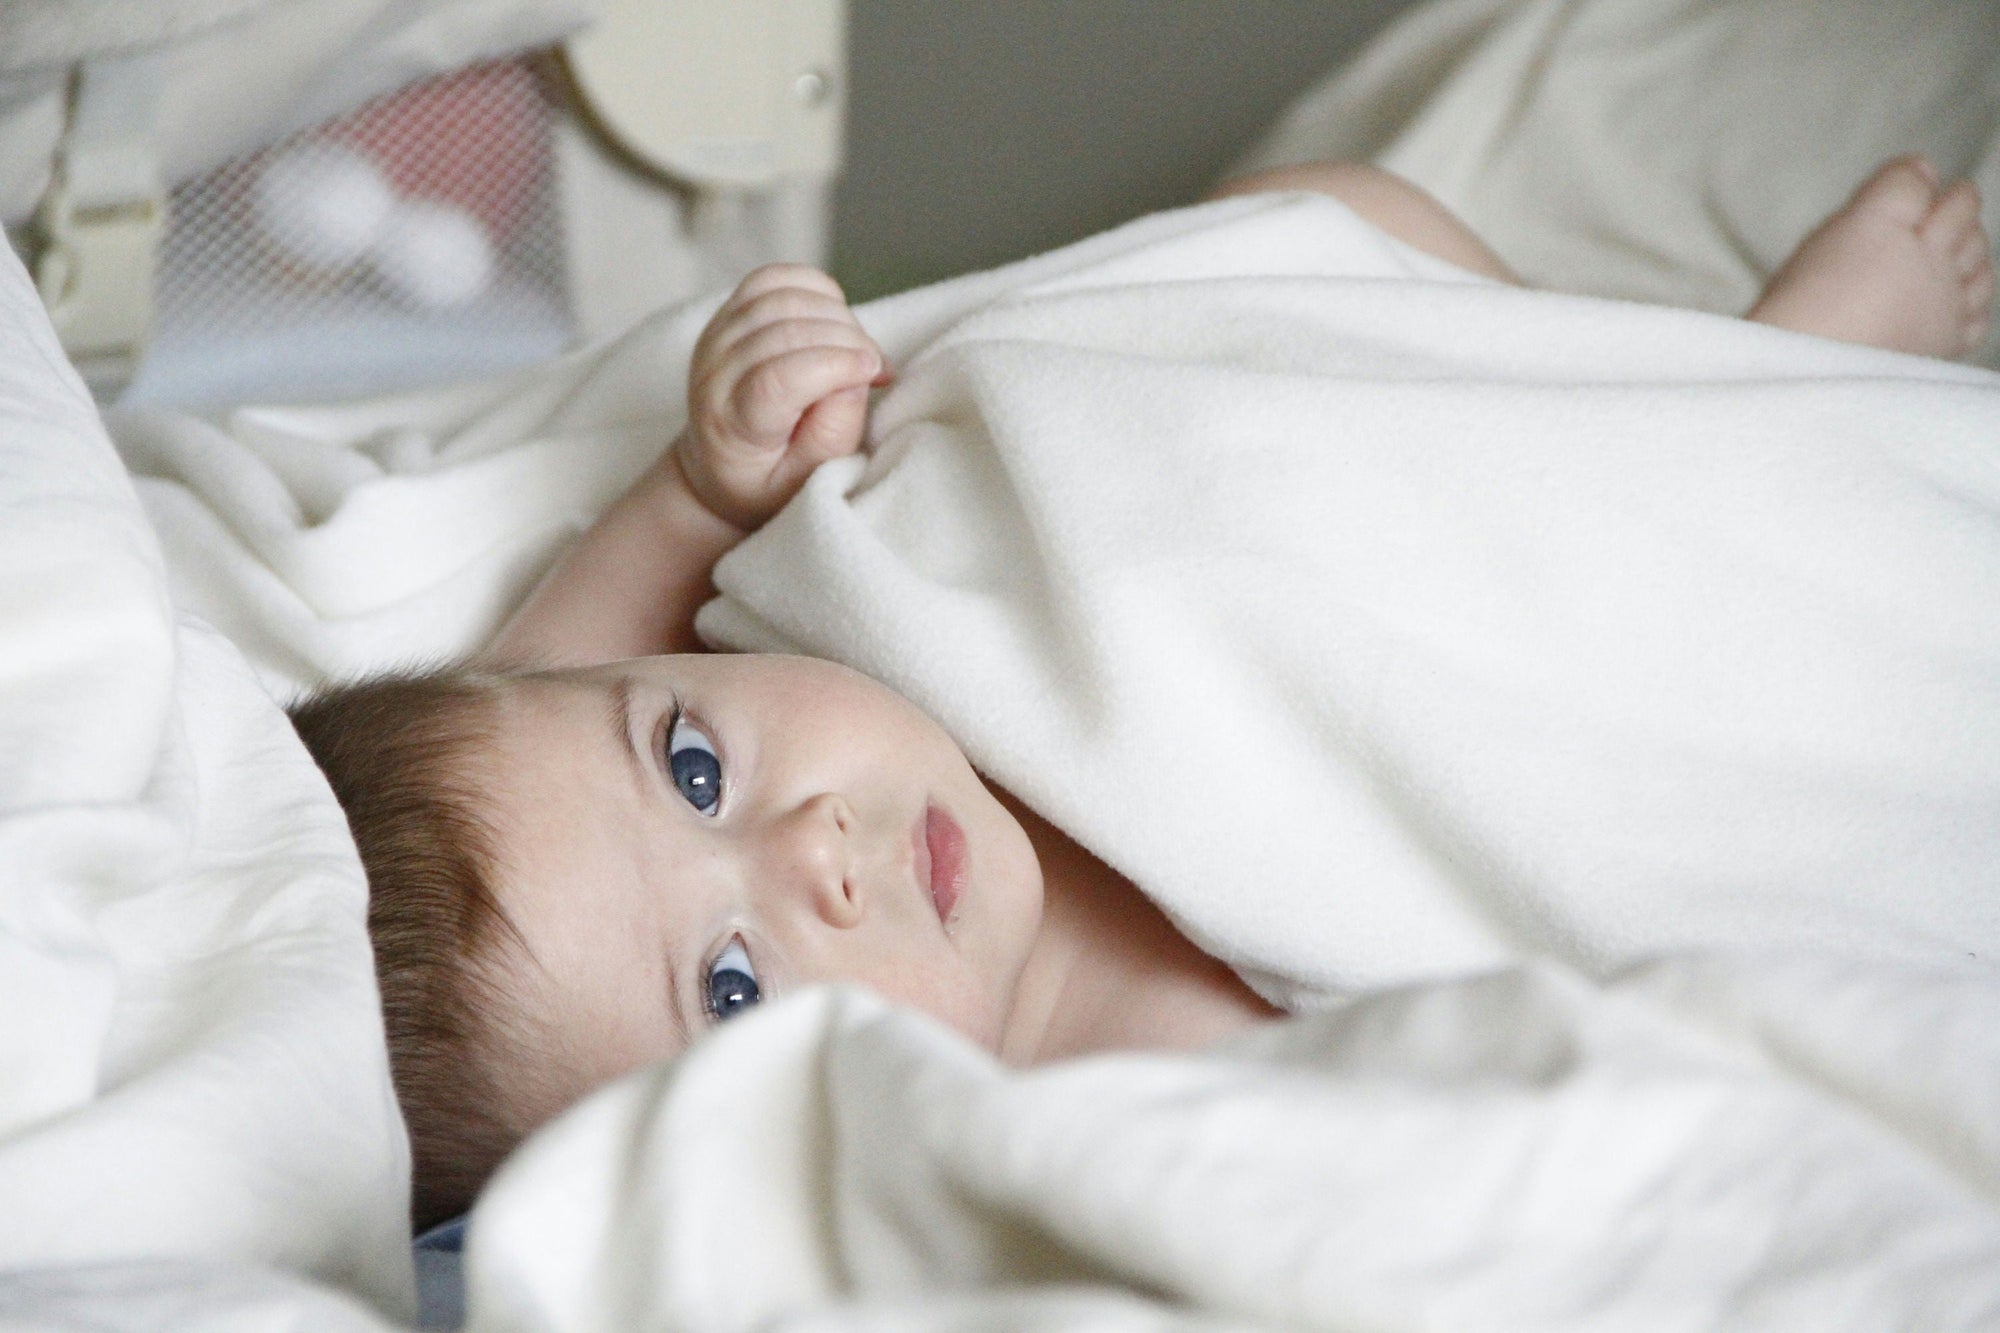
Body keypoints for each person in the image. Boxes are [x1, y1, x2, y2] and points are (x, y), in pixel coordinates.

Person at [288, 156, 1993, 1230]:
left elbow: (534, 684)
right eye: (732, 985)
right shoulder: (1071, 1145)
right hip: (1601, 808)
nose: (814, 843)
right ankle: (1802, 400)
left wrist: (702, 486)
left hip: (1420, 540)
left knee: (1359, 238)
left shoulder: (890, 645)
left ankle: (1713, 388)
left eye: (696, 766)